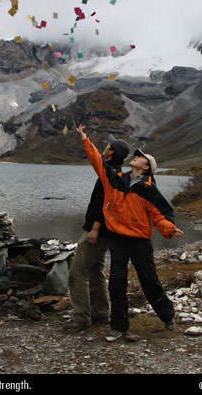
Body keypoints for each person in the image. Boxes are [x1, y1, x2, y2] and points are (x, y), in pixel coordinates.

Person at [76, 124, 184, 342]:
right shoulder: (117, 179)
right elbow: (98, 162)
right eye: (136, 156)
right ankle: (118, 327)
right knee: (116, 282)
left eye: (140, 158)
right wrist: (85, 140)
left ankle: (167, 315)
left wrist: (169, 230)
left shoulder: (149, 190)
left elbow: (160, 215)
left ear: (145, 168)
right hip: (118, 240)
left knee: (149, 281)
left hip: (140, 242)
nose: (136, 157)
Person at [65, 134, 130, 331]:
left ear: (112, 153)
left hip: (98, 231)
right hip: (105, 231)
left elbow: (107, 205)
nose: (106, 146)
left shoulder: (109, 173)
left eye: (109, 145)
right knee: (94, 270)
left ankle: (81, 317)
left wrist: (94, 228)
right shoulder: (117, 173)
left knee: (77, 273)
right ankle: (101, 313)